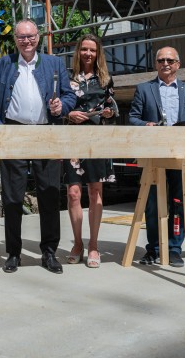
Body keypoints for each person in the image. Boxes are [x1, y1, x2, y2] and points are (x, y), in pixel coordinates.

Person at [0, 19, 76, 275]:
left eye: (31, 36)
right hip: (13, 132)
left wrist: (63, 106)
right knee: (13, 197)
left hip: (45, 132)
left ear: (38, 37)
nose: (26, 41)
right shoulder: (4, 64)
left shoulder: (54, 63)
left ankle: (49, 252)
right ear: (15, 39)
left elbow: (69, 95)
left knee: (49, 194)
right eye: (21, 37)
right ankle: (13, 253)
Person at [129, 46, 185, 267]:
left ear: (178, 64)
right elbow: (132, 118)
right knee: (152, 205)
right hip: (154, 155)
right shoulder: (143, 89)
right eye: (161, 60)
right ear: (155, 64)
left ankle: (175, 248)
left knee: (179, 201)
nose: (165, 63)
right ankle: (154, 249)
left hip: (181, 155)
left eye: (169, 60)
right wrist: (145, 124)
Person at [63, 34, 117, 269]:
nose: (88, 54)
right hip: (72, 140)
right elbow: (56, 106)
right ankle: (77, 243)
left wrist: (108, 113)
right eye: (84, 49)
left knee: (95, 191)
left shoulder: (105, 79)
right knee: (73, 193)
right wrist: (68, 114)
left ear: (98, 53)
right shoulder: (66, 77)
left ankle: (94, 244)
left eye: (92, 50)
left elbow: (112, 108)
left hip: (97, 141)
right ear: (78, 51)